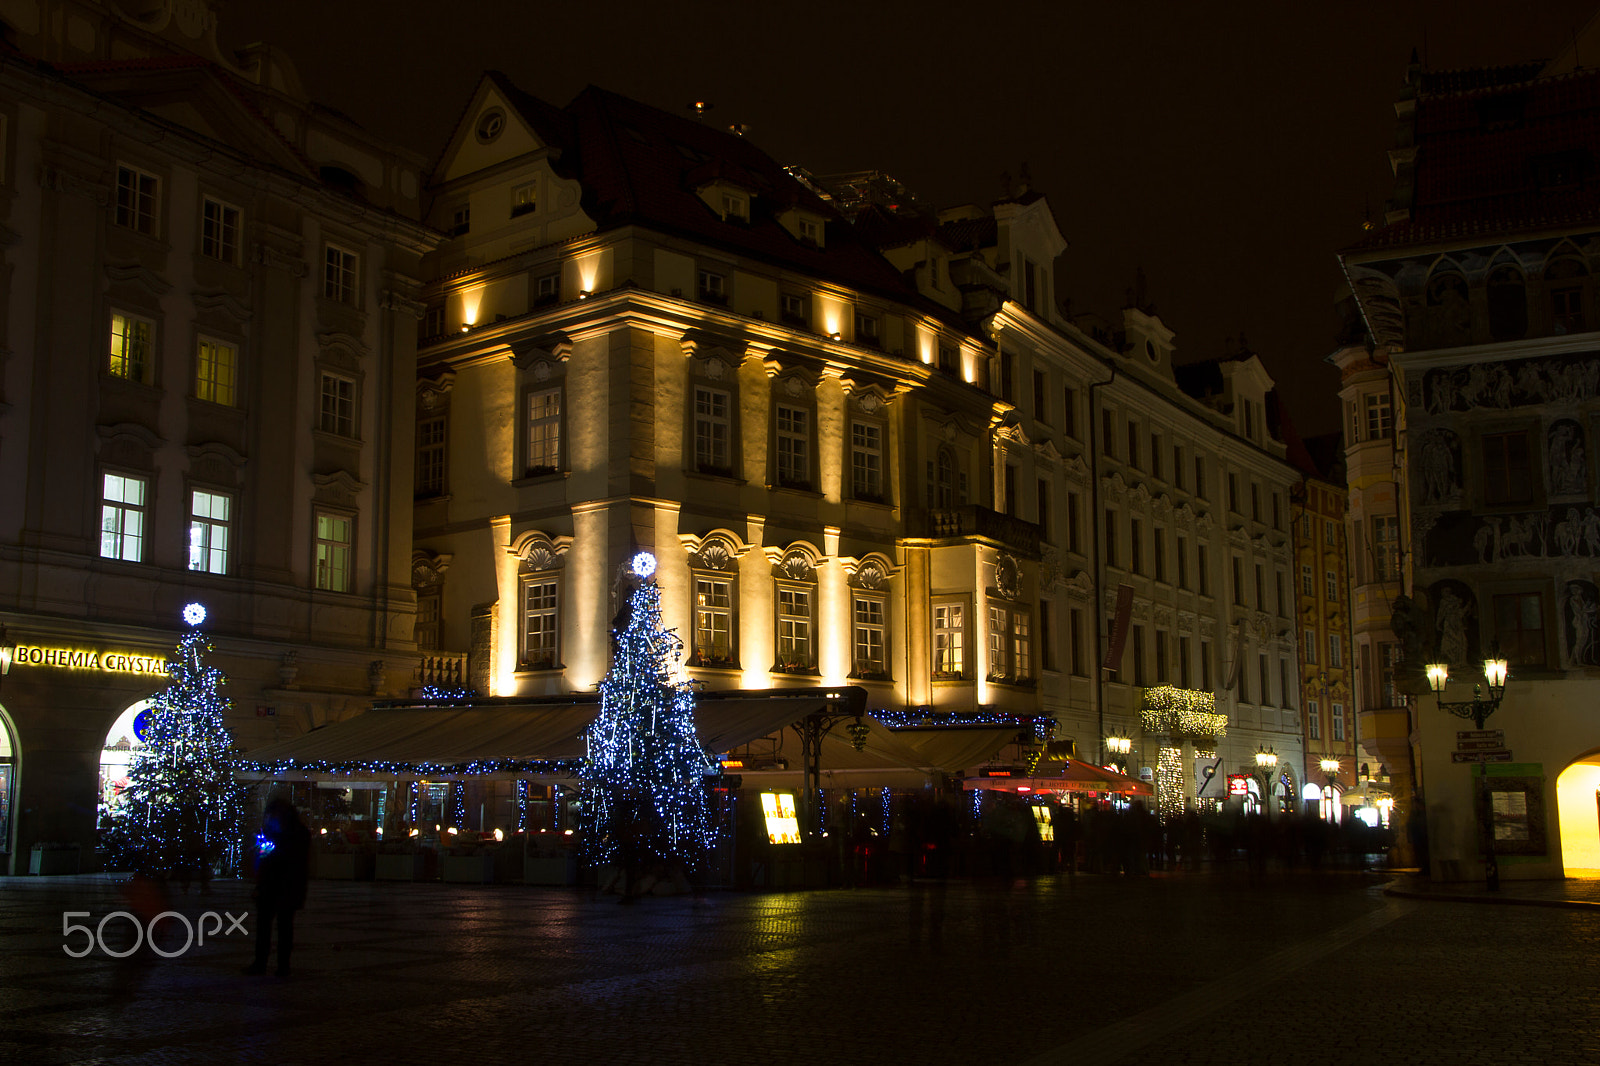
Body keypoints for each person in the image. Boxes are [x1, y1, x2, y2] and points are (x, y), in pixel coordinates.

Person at [245, 797, 310, 977]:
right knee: (279, 928)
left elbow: (271, 860)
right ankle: (277, 965)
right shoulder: (295, 832)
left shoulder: (282, 834)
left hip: (279, 887)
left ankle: (269, 964)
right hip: (282, 887)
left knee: (275, 927)